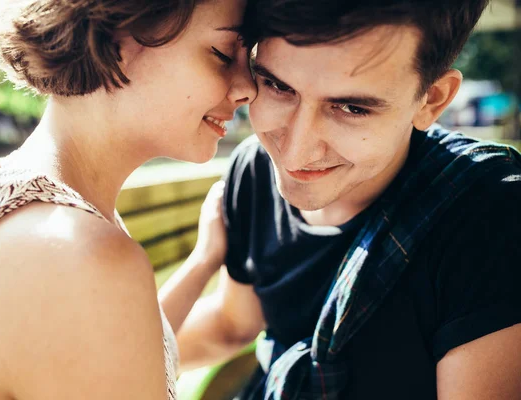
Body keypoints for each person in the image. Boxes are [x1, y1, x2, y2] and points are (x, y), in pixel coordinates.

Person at [160, 0, 521, 398]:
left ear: (432, 99)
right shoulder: (254, 170)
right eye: (279, 86)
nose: (295, 154)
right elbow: (233, 326)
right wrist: (203, 261)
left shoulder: (487, 212)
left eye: (352, 108)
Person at [0, 0, 256, 399]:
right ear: (117, 36)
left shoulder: (21, 197)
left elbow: (109, 349)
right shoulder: (78, 254)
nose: (248, 88)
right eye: (221, 54)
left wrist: (203, 261)